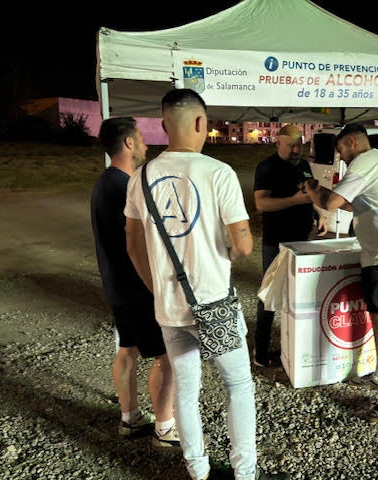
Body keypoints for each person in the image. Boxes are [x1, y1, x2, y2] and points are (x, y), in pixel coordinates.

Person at [124, 88, 288, 480]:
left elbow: (132, 244)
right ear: (201, 123)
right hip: (214, 305)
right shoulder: (218, 172)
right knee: (238, 385)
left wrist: (156, 288)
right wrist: (227, 254)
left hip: (169, 308)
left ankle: (198, 471)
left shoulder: (140, 177)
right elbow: (243, 244)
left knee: (186, 388)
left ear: (164, 124)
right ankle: (245, 473)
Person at [305, 123, 378, 423]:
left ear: (352, 142)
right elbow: (351, 204)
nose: (340, 157)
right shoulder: (376, 162)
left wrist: (312, 189)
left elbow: (331, 203)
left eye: (340, 150)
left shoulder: (366, 161)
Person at [91, 117, 180, 449]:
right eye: (140, 138)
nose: (145, 143)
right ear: (128, 143)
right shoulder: (125, 186)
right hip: (137, 287)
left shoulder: (105, 182)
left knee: (127, 349)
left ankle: (130, 419)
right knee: (166, 356)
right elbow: (138, 242)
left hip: (116, 286)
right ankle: (165, 429)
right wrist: (156, 286)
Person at [253, 124, 327, 367]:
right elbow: (261, 204)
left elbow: (309, 193)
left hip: (303, 240)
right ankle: (260, 352)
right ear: (278, 143)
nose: (296, 150)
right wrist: (294, 200)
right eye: (291, 145)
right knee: (269, 295)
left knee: (299, 294)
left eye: (300, 145)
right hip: (276, 241)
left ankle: (294, 346)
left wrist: (318, 214)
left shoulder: (304, 165)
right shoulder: (267, 167)